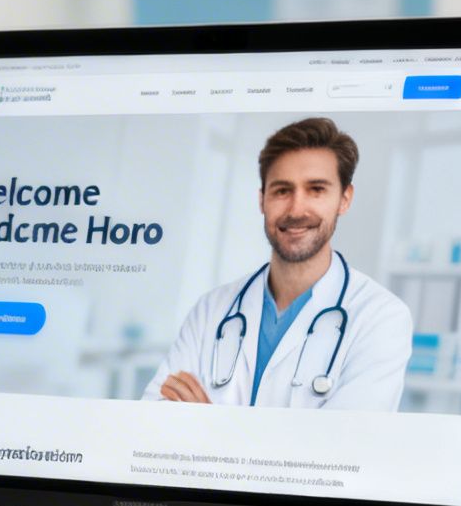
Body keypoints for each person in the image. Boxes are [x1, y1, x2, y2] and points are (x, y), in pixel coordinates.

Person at [141, 117, 413, 410]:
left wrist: (206, 420)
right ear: (262, 200)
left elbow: (347, 438)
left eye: (316, 189)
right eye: (282, 190)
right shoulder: (211, 310)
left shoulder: (380, 318)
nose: (296, 210)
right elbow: (154, 415)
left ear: (344, 199)